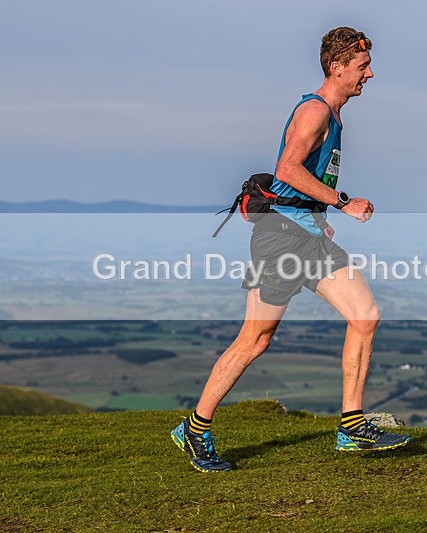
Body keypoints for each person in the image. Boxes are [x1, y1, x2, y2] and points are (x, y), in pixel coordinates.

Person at [171, 26, 411, 473]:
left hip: (307, 236)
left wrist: (319, 219)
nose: (370, 74)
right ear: (337, 67)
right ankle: (195, 428)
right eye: (362, 67)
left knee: (365, 314)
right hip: (280, 238)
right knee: (255, 339)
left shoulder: (334, 115)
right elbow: (287, 168)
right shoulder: (315, 111)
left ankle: (352, 427)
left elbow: (296, 183)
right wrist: (342, 203)